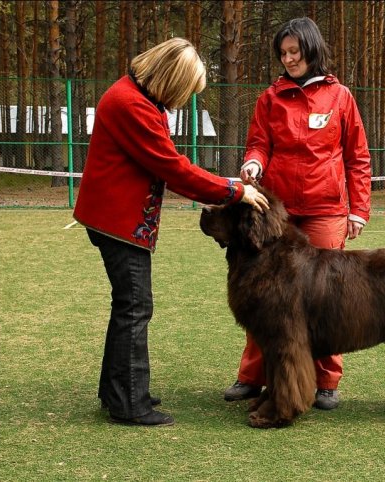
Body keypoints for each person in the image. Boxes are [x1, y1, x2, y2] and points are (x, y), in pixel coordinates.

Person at [74, 37, 269, 427]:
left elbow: (168, 163)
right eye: (184, 91)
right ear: (170, 78)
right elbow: (173, 168)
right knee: (135, 306)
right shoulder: (132, 105)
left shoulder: (136, 97)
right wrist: (234, 190)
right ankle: (129, 402)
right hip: (117, 224)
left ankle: (118, 390)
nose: (183, 102)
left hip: (116, 219)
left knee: (127, 306)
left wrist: (221, 185)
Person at [223, 17, 371, 410]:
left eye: (294, 51)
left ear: (311, 49)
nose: (288, 59)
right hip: (278, 216)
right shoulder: (270, 98)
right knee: (262, 295)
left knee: (329, 297)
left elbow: (358, 158)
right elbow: (259, 144)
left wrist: (359, 210)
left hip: (327, 210)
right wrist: (253, 164)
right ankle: (252, 377)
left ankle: (326, 381)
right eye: (283, 53)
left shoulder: (340, 97)